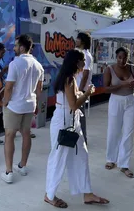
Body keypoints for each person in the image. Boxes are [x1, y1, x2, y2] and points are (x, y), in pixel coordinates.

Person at [45, 50, 109, 208]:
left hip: (70, 121)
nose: (84, 64)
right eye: (82, 61)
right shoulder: (69, 79)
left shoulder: (68, 78)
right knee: (59, 158)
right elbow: (73, 105)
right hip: (65, 121)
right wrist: (87, 93)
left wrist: (82, 93)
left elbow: (70, 99)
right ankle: (49, 194)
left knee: (81, 155)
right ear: (75, 62)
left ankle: (87, 193)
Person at [1, 35, 44, 183]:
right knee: (26, 134)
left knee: (9, 135)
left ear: (22, 48)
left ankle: (9, 172)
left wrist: (5, 102)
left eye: (15, 46)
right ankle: (23, 166)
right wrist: (36, 103)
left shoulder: (15, 63)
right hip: (29, 105)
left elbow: (8, 87)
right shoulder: (39, 65)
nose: (13, 48)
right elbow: (39, 90)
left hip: (14, 105)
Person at [104, 47, 134, 178]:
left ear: (128, 57)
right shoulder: (109, 69)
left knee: (128, 133)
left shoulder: (132, 68)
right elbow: (106, 88)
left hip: (131, 101)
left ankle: (124, 164)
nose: (122, 60)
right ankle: (111, 159)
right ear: (116, 57)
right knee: (113, 131)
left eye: (124, 57)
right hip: (116, 101)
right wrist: (123, 84)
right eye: (119, 57)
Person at [75, 32, 93, 144]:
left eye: (78, 38)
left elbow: (85, 75)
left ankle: (83, 140)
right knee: (76, 114)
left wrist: (80, 91)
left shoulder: (85, 55)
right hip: (77, 87)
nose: (76, 40)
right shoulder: (80, 53)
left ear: (83, 41)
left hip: (80, 89)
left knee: (80, 115)